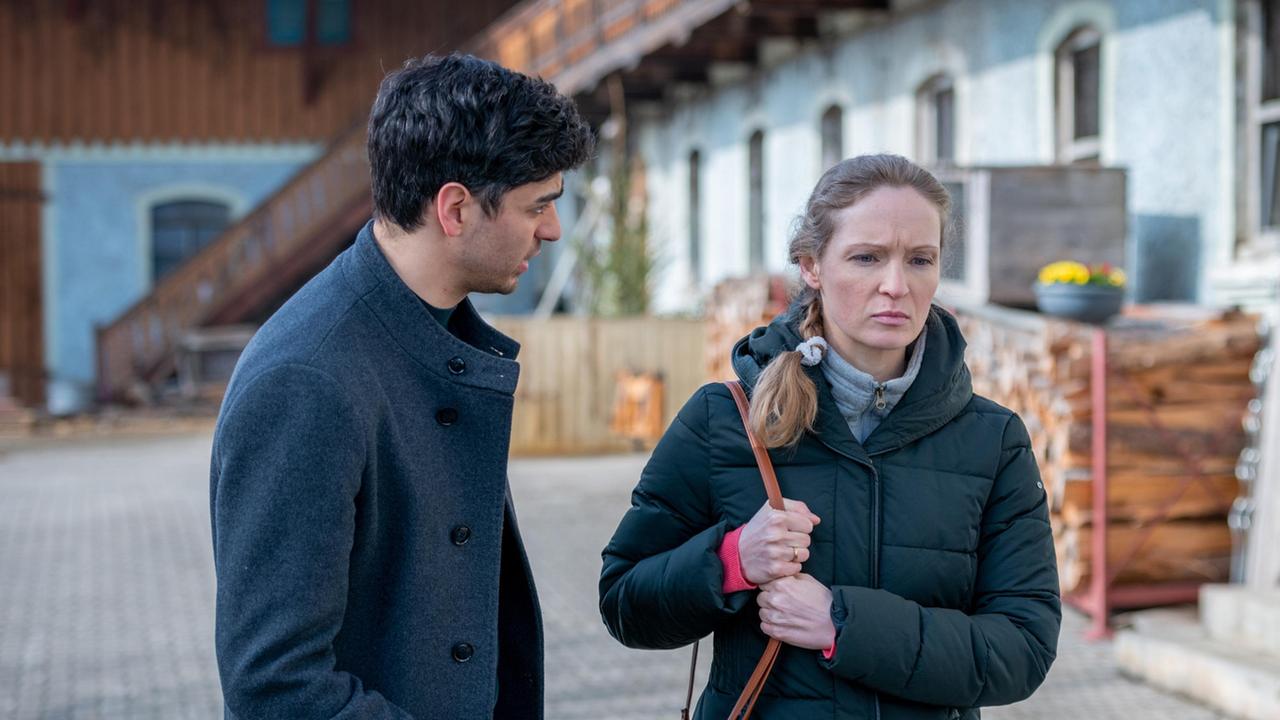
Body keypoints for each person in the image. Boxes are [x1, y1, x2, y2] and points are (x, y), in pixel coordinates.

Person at [599, 154, 1060, 719]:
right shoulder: (724, 419)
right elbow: (624, 603)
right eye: (866, 258)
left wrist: (842, 624)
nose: (896, 286)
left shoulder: (994, 440)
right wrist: (730, 560)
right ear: (811, 265)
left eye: (920, 260)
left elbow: (1023, 650)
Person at [210, 53, 593, 719]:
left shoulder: (434, 334)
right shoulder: (308, 380)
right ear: (455, 208)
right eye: (539, 205)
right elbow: (276, 686)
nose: (552, 229)